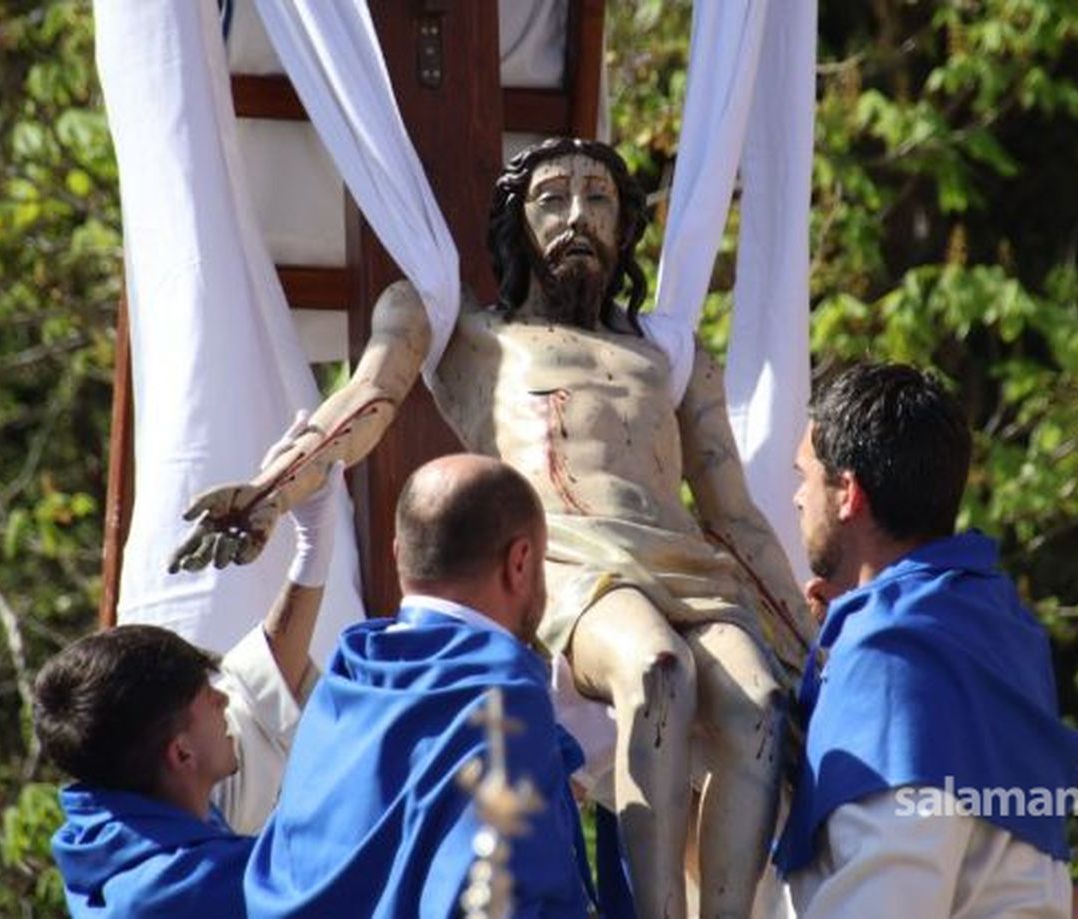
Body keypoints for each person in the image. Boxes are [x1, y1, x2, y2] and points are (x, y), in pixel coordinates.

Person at [170, 137, 815, 917]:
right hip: (574, 556)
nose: (578, 217)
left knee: (761, 706)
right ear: (517, 223)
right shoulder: (472, 335)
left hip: (684, 561)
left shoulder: (669, 351)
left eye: (599, 199)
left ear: (627, 224)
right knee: (657, 669)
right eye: (552, 200)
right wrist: (272, 493)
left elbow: (736, 517)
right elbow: (367, 399)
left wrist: (814, 646)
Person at [775, 363, 1078, 918]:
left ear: (848, 492)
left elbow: (890, 886)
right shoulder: (993, 623)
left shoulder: (890, 655)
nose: (799, 498)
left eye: (804, 476)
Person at [245, 454, 610, 918]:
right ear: (520, 562)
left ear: (399, 552)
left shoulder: (344, 683)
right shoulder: (507, 700)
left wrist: (561, 773)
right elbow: (502, 896)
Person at [35, 429, 338, 917]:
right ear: (181, 753)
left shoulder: (132, 823)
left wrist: (312, 545)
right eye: (208, 696)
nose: (224, 700)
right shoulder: (198, 891)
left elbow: (263, 685)